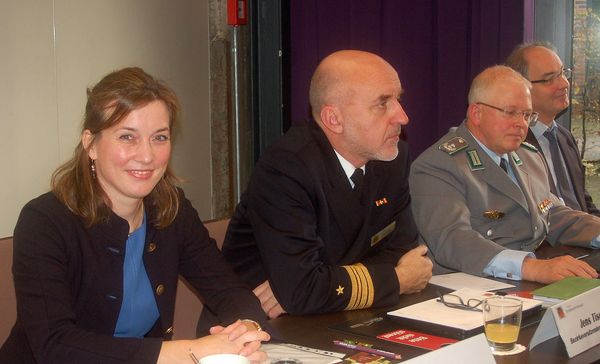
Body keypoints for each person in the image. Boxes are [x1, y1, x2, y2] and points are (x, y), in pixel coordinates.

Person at [0, 67, 270, 364]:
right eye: (128, 137)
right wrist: (195, 350)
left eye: (159, 138)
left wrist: (246, 330)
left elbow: (229, 289)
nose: (146, 156)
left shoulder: (172, 209)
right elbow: (56, 346)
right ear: (90, 144)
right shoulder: (44, 222)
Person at [220, 50, 432, 319]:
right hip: (257, 323)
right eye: (382, 103)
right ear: (334, 119)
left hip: (344, 312)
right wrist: (397, 280)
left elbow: (403, 251)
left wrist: (320, 285)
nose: (402, 117)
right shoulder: (287, 167)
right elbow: (301, 290)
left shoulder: (392, 158)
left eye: (398, 100)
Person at [410, 65, 600, 285]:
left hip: (522, 280)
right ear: (476, 113)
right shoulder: (439, 165)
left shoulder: (527, 155)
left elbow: (551, 214)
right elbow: (452, 240)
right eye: (510, 112)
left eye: (527, 115)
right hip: (469, 289)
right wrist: (532, 268)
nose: (521, 124)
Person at [506, 42, 600, 216]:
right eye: (549, 79)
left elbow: (584, 205)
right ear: (522, 88)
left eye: (563, 73)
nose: (564, 84)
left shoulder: (565, 137)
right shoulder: (511, 145)